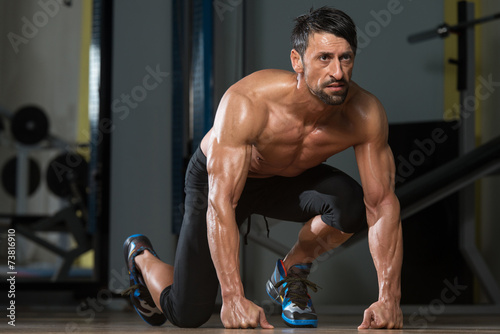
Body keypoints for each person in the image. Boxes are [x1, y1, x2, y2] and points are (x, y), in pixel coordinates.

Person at [122, 6, 403, 329]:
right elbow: (221, 202)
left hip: (288, 180)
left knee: (351, 205)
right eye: (324, 58)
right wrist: (232, 298)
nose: (338, 72)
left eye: (346, 58)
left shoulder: (365, 114)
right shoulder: (249, 103)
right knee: (187, 313)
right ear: (297, 61)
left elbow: (381, 206)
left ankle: (291, 269)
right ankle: (141, 256)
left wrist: (389, 300)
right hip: (217, 187)